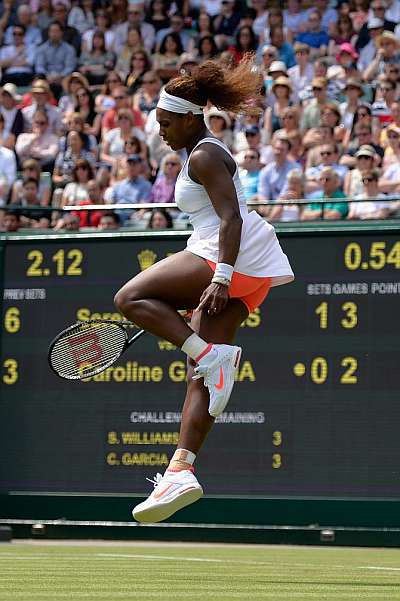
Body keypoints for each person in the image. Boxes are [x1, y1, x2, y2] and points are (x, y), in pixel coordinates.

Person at [113, 57, 294, 523]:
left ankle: (209, 354)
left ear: (190, 117)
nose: (160, 131)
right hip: (234, 256)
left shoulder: (205, 154)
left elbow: (230, 217)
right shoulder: (195, 153)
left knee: (129, 298)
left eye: (166, 122)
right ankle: (181, 469)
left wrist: (220, 276)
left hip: (228, 254)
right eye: (158, 122)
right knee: (203, 374)